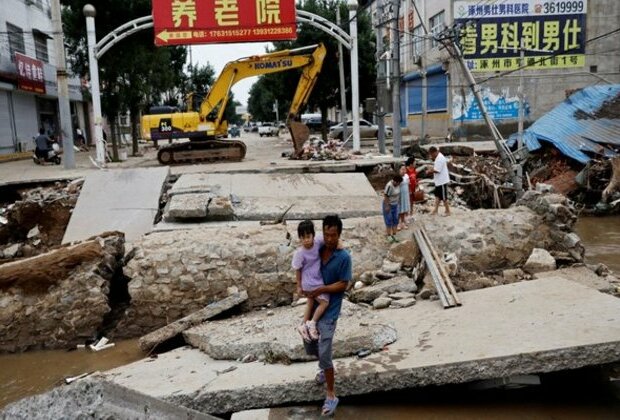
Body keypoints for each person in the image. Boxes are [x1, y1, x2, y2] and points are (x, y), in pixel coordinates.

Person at [303, 215, 351, 417]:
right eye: (327, 234)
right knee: (309, 343)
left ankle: (331, 395)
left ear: (339, 235)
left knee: (325, 350)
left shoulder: (344, 257)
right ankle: (324, 368)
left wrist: (322, 288)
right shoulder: (319, 248)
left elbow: (344, 284)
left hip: (330, 309)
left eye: (334, 235)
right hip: (313, 305)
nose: (330, 239)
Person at [292, 220, 329, 341]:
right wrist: (299, 286)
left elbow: (328, 239)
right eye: (303, 238)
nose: (306, 240)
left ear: (313, 235)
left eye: (308, 237)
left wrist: (339, 243)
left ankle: (303, 325)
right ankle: (312, 322)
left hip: (316, 279)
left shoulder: (318, 241)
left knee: (310, 302)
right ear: (299, 238)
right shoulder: (300, 253)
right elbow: (297, 270)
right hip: (310, 282)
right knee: (324, 302)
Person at [429, 146, 451, 216]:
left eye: (432, 154)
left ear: (434, 152)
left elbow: (437, 170)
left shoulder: (440, 159)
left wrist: (429, 170)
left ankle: (448, 211)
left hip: (442, 181)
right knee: (437, 196)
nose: (431, 156)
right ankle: (435, 210)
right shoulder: (438, 157)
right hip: (438, 181)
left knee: (444, 197)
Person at [383, 174, 402, 242]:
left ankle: (394, 234)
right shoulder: (389, 186)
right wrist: (387, 206)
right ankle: (388, 235)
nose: (398, 184)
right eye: (398, 183)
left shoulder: (398, 185)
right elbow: (386, 196)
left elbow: (399, 194)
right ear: (395, 181)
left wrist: (399, 203)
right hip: (389, 204)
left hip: (395, 204)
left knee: (395, 220)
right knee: (389, 220)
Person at [398, 166, 410, 230]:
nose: (403, 170)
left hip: (405, 195)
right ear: (399, 170)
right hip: (400, 195)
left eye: (404, 169)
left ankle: (402, 223)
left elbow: (408, 184)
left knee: (404, 209)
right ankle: (398, 223)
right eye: (402, 169)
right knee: (399, 209)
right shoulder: (398, 177)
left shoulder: (406, 176)